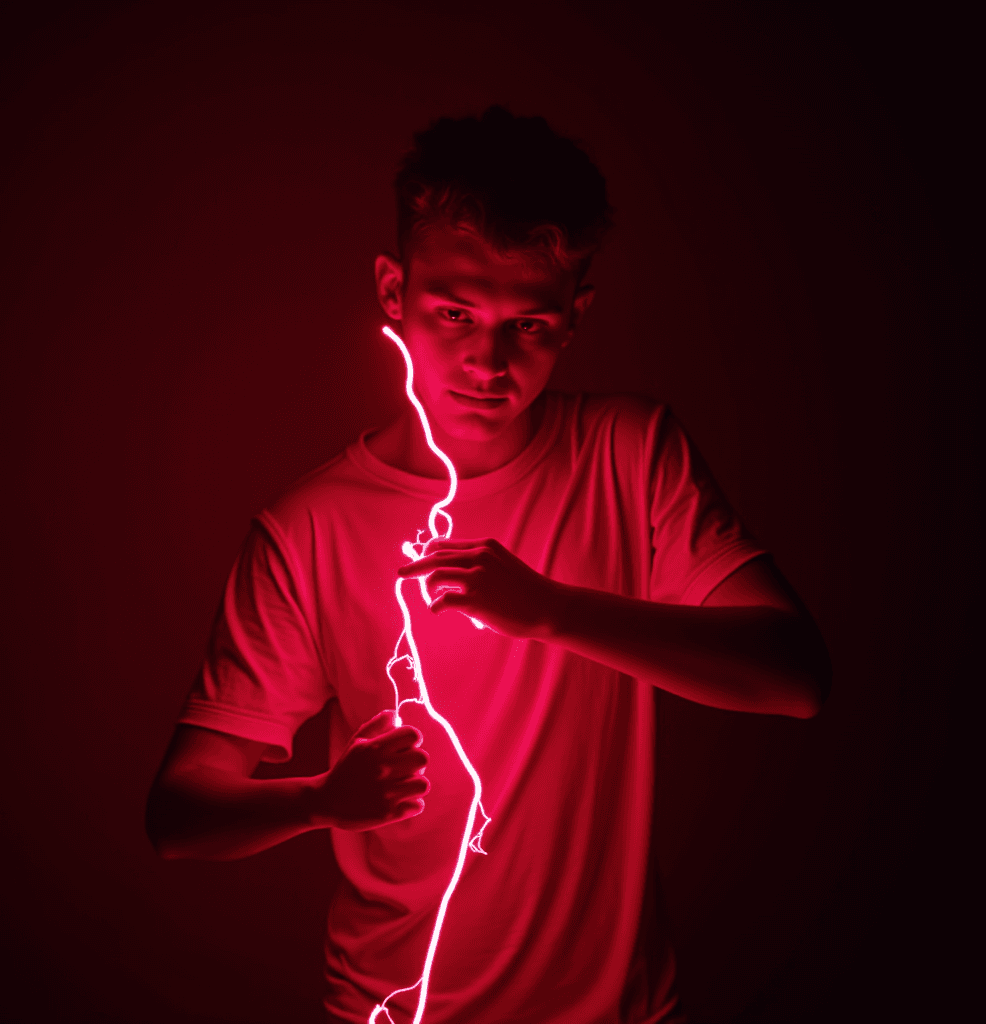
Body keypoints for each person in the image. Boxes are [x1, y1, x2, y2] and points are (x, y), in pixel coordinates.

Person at [146, 106, 831, 1024]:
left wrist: (547, 610)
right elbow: (179, 816)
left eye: (531, 325)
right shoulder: (309, 529)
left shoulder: (629, 454)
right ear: (394, 292)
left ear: (577, 315)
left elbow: (794, 679)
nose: (488, 362)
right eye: (455, 313)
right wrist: (321, 799)